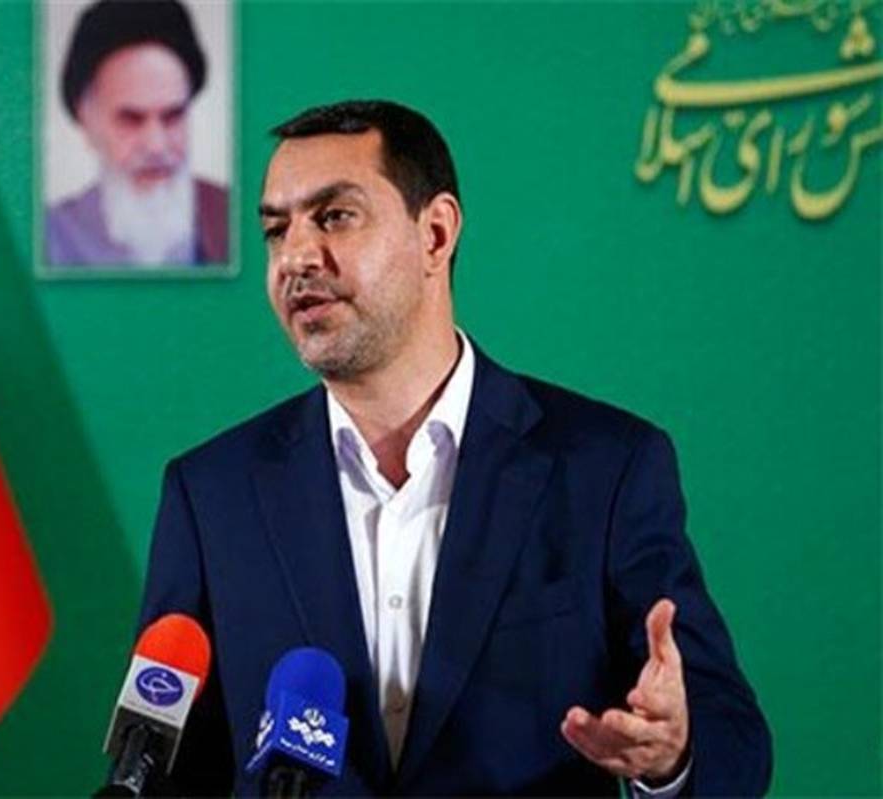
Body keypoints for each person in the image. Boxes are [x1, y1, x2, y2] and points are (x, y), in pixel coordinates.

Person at [137, 100, 771, 795]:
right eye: (275, 230)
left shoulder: (604, 468)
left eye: (334, 216)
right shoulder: (213, 494)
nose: (296, 257)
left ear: (435, 234)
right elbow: (162, 769)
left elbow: (732, 741)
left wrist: (672, 757)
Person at [46, 0, 228, 268]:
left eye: (172, 116)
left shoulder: (232, 217)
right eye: (131, 119)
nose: (156, 146)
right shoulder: (50, 237)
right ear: (87, 123)